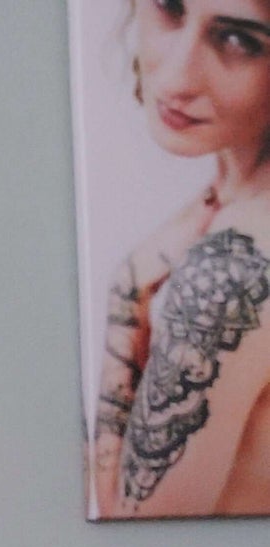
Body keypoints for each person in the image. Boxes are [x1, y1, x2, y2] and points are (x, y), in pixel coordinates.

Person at [91, 0, 270, 518]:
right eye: (169, 7)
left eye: (240, 40)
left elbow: (127, 524)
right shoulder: (228, 211)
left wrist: (127, 300)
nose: (176, 72)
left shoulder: (231, 271)